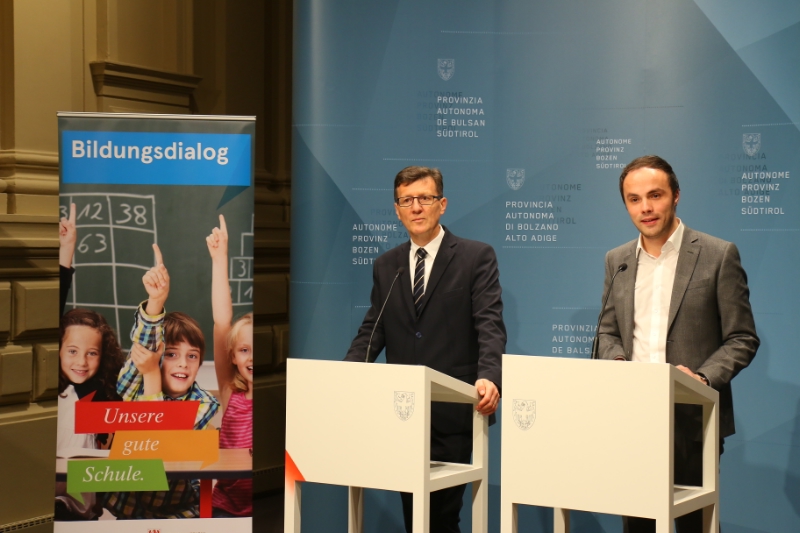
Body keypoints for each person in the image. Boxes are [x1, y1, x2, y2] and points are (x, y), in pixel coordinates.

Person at [597, 155, 759, 533]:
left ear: (676, 196)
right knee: (637, 526)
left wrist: (700, 379)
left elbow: (742, 337)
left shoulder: (718, 254)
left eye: (655, 195)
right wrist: (617, 363)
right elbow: (607, 332)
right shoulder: (617, 260)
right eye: (634, 199)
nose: (646, 208)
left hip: (692, 419)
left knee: (694, 527)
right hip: (633, 419)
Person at [345, 166, 506, 533]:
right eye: (406, 200)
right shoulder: (387, 265)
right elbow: (374, 328)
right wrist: (345, 375)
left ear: (442, 204)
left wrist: (490, 376)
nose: (416, 207)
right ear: (397, 209)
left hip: (454, 408)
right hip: (403, 411)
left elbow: (490, 324)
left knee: (442, 517)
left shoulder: (474, 257)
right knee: (415, 514)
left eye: (424, 198)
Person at [105, 244, 220, 519]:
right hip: (128, 508)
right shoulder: (133, 384)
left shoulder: (203, 403)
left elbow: (159, 444)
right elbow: (145, 346)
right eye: (171, 354)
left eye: (192, 356)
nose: (183, 363)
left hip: (179, 508)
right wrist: (155, 302)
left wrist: (153, 375)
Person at [55, 309, 125, 520]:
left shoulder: (106, 395)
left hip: (80, 510)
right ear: (57, 350)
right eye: (72, 351)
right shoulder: (51, 395)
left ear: (103, 355)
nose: (82, 362)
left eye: (92, 353)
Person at [206, 215, 254, 518]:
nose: (251, 358)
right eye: (244, 350)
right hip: (224, 507)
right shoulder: (230, 393)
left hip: (261, 507)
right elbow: (222, 322)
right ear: (233, 356)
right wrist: (220, 258)